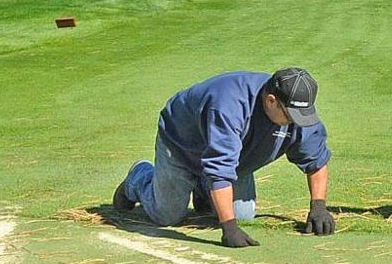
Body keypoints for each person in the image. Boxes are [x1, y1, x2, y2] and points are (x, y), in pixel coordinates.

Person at [112, 68, 337, 248]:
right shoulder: (228, 107)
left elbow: (316, 160)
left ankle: (203, 186)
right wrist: (229, 228)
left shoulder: (298, 112)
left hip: (233, 157)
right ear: (271, 100)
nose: (297, 123)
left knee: (244, 215)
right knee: (167, 215)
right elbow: (220, 170)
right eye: (291, 116)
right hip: (182, 145)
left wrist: (318, 206)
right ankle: (138, 178)